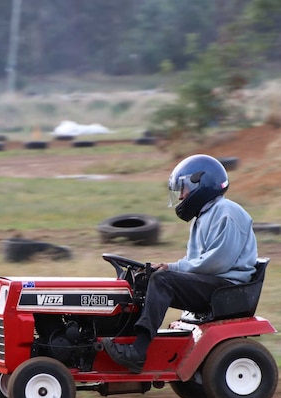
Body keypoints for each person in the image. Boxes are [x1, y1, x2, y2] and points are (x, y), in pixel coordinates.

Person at [102, 154, 258, 374]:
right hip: (213, 282)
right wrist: (167, 267)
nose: (182, 195)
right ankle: (121, 338)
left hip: (226, 286)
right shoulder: (204, 216)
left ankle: (138, 352)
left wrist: (172, 269)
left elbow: (217, 262)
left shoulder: (227, 212)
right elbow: (198, 262)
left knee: (163, 280)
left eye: (183, 188)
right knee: (145, 279)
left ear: (200, 183)